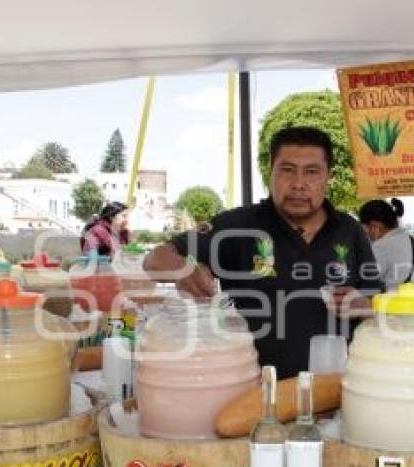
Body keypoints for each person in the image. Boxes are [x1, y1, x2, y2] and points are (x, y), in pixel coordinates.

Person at [145, 126, 383, 378]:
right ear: (271, 172)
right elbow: (155, 258)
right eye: (287, 170)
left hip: (335, 393)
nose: (299, 184)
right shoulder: (238, 225)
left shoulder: (349, 229)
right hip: (251, 392)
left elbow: (379, 304)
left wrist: (365, 305)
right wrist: (183, 269)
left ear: (328, 176)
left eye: (312, 172)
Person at [358, 198, 414, 291]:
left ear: (375, 227)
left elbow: (364, 279)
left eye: (364, 230)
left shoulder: (382, 246)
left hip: (391, 304)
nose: (365, 235)